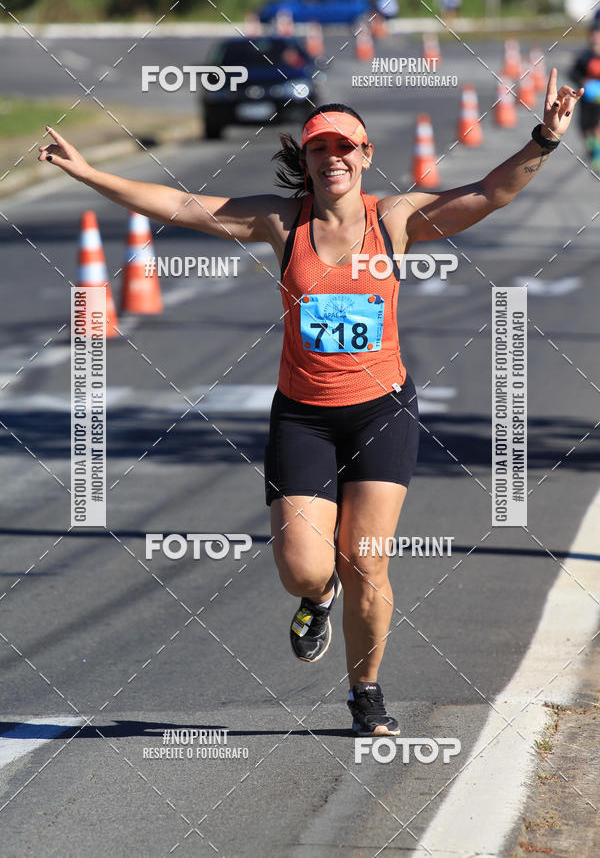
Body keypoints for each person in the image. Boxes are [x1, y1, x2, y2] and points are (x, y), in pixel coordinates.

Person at [39, 70, 581, 736]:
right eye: (321, 149)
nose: (334, 159)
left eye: (345, 148)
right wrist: (91, 174)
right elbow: (180, 205)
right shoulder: (279, 220)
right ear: (308, 159)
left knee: (368, 557)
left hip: (382, 410)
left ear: (365, 156)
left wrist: (545, 138)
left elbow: (490, 192)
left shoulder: (397, 219)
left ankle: (367, 691)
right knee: (307, 567)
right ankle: (318, 600)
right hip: (303, 416)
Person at [570, 20, 600, 169]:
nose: (595, 40)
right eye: (593, 37)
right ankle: (593, 147)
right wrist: (583, 81)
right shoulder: (584, 57)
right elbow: (573, 73)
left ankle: (597, 155)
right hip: (586, 98)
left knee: (597, 127)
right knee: (584, 128)